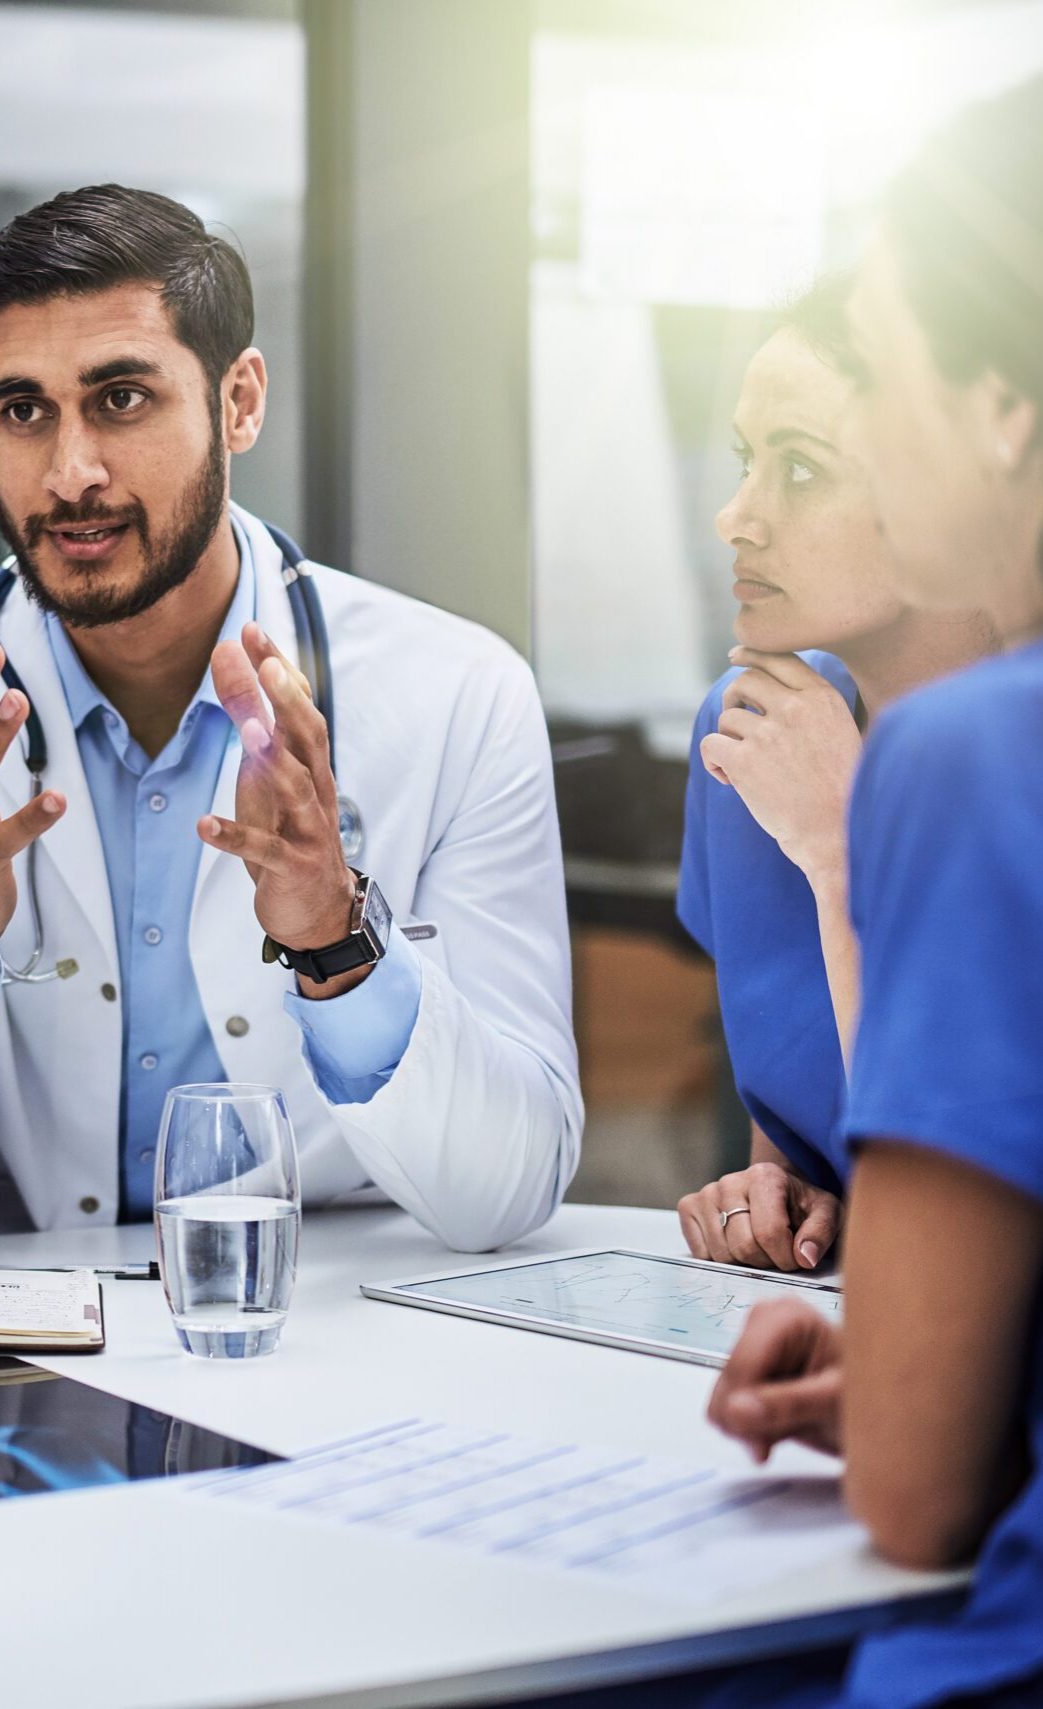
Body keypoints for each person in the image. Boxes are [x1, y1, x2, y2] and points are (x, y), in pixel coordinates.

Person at [0, 185, 579, 1249]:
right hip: (28, 1332)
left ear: (238, 400)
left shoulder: (459, 694)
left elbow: (507, 1191)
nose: (70, 474)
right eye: (22, 410)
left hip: (343, 1325)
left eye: (120, 398)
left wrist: (335, 940)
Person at [700, 74, 1043, 1709]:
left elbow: (912, 1493)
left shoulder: (978, 753)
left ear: (999, 411)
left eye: (883, 377)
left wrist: (910, 1394)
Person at [673, 274, 994, 1274]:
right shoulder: (750, 731)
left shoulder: (1007, 765)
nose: (735, 517)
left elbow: (975, 1201)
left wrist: (839, 850)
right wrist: (781, 1190)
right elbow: (809, 1127)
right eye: (744, 463)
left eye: (800, 472)